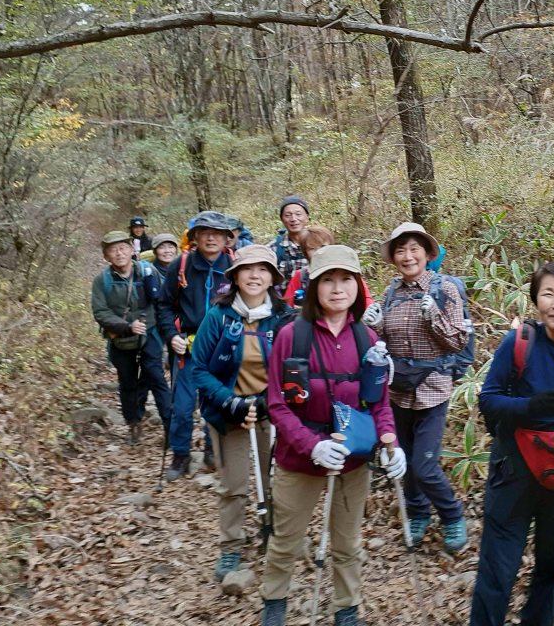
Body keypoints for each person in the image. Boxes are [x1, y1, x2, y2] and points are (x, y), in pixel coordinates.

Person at [260, 245, 402, 626]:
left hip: (353, 460)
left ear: (357, 286)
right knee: (286, 539)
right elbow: (277, 404)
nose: (338, 289)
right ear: (314, 286)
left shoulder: (368, 340)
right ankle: (274, 601)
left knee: (347, 543)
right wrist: (313, 445)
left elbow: (379, 404)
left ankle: (347, 607)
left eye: (346, 280)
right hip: (298, 458)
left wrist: (391, 443)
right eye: (328, 280)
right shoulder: (292, 336)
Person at [471, 261, 554, 626]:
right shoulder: (520, 344)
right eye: (547, 294)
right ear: (535, 301)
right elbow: (489, 399)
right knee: (498, 569)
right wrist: (528, 407)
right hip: (514, 470)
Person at [365, 222, 468, 554]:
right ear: (393, 257)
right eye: (400, 250)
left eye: (414, 249)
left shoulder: (445, 289)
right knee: (404, 458)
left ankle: (452, 515)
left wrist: (433, 316)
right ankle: (418, 515)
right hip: (398, 389)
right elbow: (387, 340)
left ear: (427, 254)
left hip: (433, 389)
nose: (407, 256)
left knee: (424, 465)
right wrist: (375, 326)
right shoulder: (391, 291)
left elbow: (457, 341)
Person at [189, 245, 289, 582]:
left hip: (269, 410)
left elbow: (294, 367)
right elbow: (199, 369)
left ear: (273, 278)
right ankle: (231, 548)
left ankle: (271, 535)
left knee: (273, 478)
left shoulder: (283, 317)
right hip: (227, 411)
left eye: (263, 270)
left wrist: (267, 401)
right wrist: (229, 401)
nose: (254, 276)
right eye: (247, 269)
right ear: (235, 276)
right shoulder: (218, 316)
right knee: (233, 485)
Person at [156, 211, 236, 480]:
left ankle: (212, 449)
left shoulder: (236, 267)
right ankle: (180, 454)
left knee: (215, 401)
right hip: (187, 348)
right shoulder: (181, 265)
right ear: (195, 237)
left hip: (223, 347)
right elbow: (164, 305)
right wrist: (171, 336)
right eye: (204, 232)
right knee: (181, 406)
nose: (210, 237)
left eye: (217, 233)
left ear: (227, 238)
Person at [91, 231, 172, 445]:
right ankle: (134, 423)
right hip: (120, 338)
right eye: (113, 250)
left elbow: (163, 300)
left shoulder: (147, 271)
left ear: (131, 250)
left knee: (156, 378)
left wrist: (167, 331)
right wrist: (127, 326)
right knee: (127, 383)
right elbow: (100, 312)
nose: (119, 253)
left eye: (123, 248)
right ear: (106, 256)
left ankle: (170, 426)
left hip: (150, 333)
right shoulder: (102, 281)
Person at [284, 226, 374, 310]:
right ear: (305, 252)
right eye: (312, 248)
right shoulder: (301, 276)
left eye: (323, 246)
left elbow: (366, 301)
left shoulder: (345, 270)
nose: (319, 252)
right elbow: (287, 307)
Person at [267, 195, 310, 285]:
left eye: (298, 214)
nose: (293, 219)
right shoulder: (273, 248)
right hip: (282, 298)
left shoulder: (318, 245)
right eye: (288, 215)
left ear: (307, 217)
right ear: (282, 219)